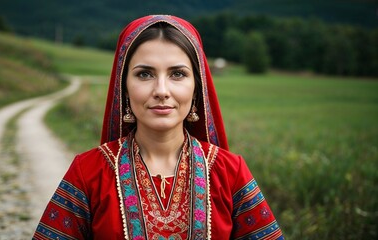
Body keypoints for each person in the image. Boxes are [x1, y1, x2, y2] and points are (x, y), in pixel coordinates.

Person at [33, 15, 284, 240]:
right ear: (124, 87)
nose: (162, 91)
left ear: (197, 86)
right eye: (145, 74)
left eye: (177, 74)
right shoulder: (88, 172)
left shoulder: (230, 173)